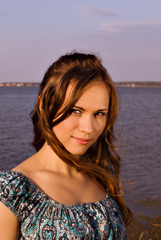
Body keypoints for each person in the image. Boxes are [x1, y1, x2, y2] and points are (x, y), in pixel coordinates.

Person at [0, 52, 131, 239]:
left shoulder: (101, 177)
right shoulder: (12, 192)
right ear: (44, 105)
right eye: (76, 111)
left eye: (99, 113)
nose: (88, 128)